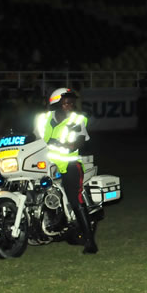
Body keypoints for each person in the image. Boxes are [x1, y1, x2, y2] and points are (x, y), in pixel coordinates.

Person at [34, 88, 97, 254]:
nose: (70, 105)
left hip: (69, 164)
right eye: (66, 102)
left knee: (74, 198)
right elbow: (34, 138)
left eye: (71, 102)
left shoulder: (77, 119)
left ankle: (90, 240)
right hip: (46, 163)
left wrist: (69, 145)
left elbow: (80, 141)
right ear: (56, 104)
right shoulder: (43, 119)